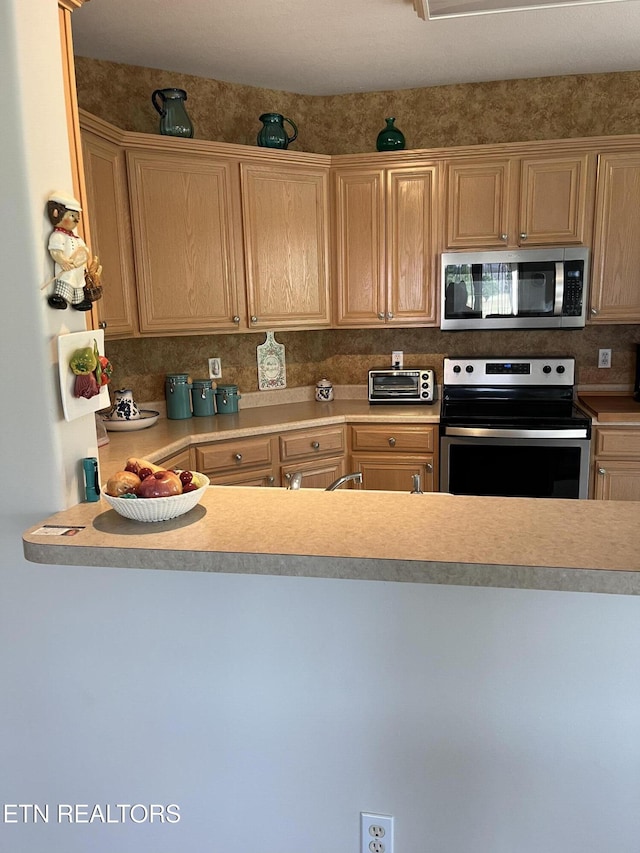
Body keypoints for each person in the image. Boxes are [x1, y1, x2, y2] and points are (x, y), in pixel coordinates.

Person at [46, 190, 93, 310]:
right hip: (67, 269)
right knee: (65, 282)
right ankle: (60, 298)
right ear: (57, 214)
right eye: (72, 216)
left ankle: (78, 301)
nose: (76, 220)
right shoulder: (58, 236)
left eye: (77, 217)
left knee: (78, 285)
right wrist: (63, 261)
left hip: (77, 271)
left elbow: (84, 250)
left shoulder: (76, 237)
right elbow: (55, 251)